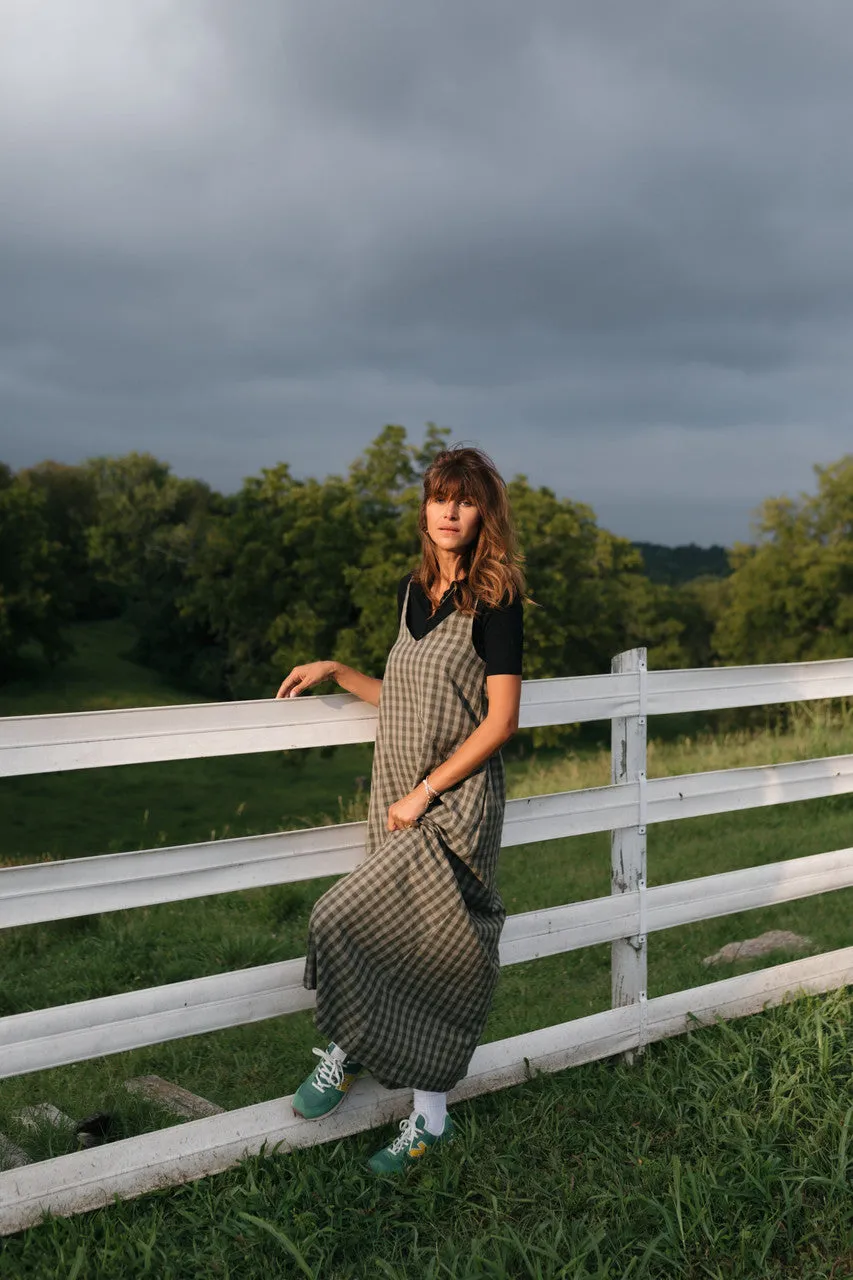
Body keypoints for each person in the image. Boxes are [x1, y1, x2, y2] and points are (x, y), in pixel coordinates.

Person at [275, 445, 525, 1175]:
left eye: (465, 500)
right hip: (396, 796)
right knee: (396, 945)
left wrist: (426, 792)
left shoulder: (497, 598)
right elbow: (411, 698)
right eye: (439, 498)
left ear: (484, 513)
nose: (449, 512)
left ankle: (356, 1055)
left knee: (357, 925)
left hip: (450, 806)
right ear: (424, 508)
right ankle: (419, 1111)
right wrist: (338, 671)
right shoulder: (410, 591)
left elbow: (500, 720)